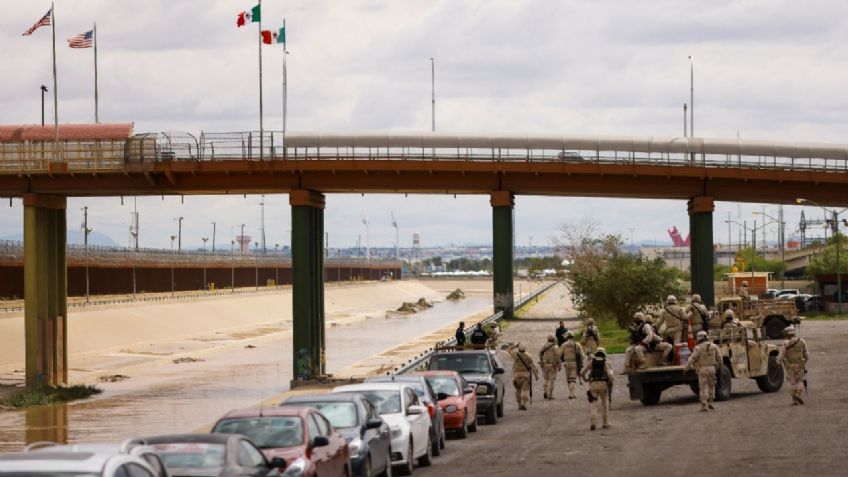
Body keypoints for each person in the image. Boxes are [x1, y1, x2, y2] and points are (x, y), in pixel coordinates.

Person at [684, 331, 722, 412]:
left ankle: (704, 403)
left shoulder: (698, 348)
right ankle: (711, 402)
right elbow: (720, 358)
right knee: (711, 385)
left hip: (702, 369)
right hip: (712, 368)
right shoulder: (714, 346)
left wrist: (686, 368)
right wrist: (719, 366)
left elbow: (692, 359)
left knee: (703, 387)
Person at [581, 348, 614, 430]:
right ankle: (605, 423)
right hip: (603, 385)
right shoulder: (605, 363)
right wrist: (611, 382)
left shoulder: (592, 362)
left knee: (593, 405)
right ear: (604, 355)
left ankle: (593, 423)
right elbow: (609, 374)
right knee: (604, 404)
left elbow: (582, 372)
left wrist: (585, 379)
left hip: (593, 385)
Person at [777, 326, 809, 405]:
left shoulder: (786, 343)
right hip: (800, 365)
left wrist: (778, 362)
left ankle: (794, 400)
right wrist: (805, 361)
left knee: (792, 382)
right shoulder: (802, 341)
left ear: (787, 334)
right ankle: (798, 394)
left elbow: (781, 355)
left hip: (789, 366)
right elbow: (806, 354)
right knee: (800, 381)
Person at [508, 343, 539, 410]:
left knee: (518, 390)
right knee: (525, 390)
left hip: (517, 375)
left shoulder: (515, 355)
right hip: (525, 376)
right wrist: (536, 375)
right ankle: (523, 403)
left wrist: (515, 346)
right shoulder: (528, 356)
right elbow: (532, 366)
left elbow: (509, 350)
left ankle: (519, 404)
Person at [559, 331, 584, 399]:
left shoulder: (564, 345)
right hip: (575, 363)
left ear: (567, 337)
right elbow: (582, 355)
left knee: (568, 379)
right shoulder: (577, 344)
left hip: (566, 363)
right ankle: (571, 393)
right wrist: (581, 363)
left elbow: (559, 354)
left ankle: (571, 393)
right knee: (573, 379)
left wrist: (559, 363)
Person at [539, 335, 562, 400]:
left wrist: (542, 361)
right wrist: (559, 365)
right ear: (554, 340)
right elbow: (558, 356)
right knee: (552, 380)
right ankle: (550, 395)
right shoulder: (555, 347)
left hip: (545, 365)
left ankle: (545, 391)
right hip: (552, 365)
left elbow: (540, 353)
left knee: (546, 379)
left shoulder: (544, 346)